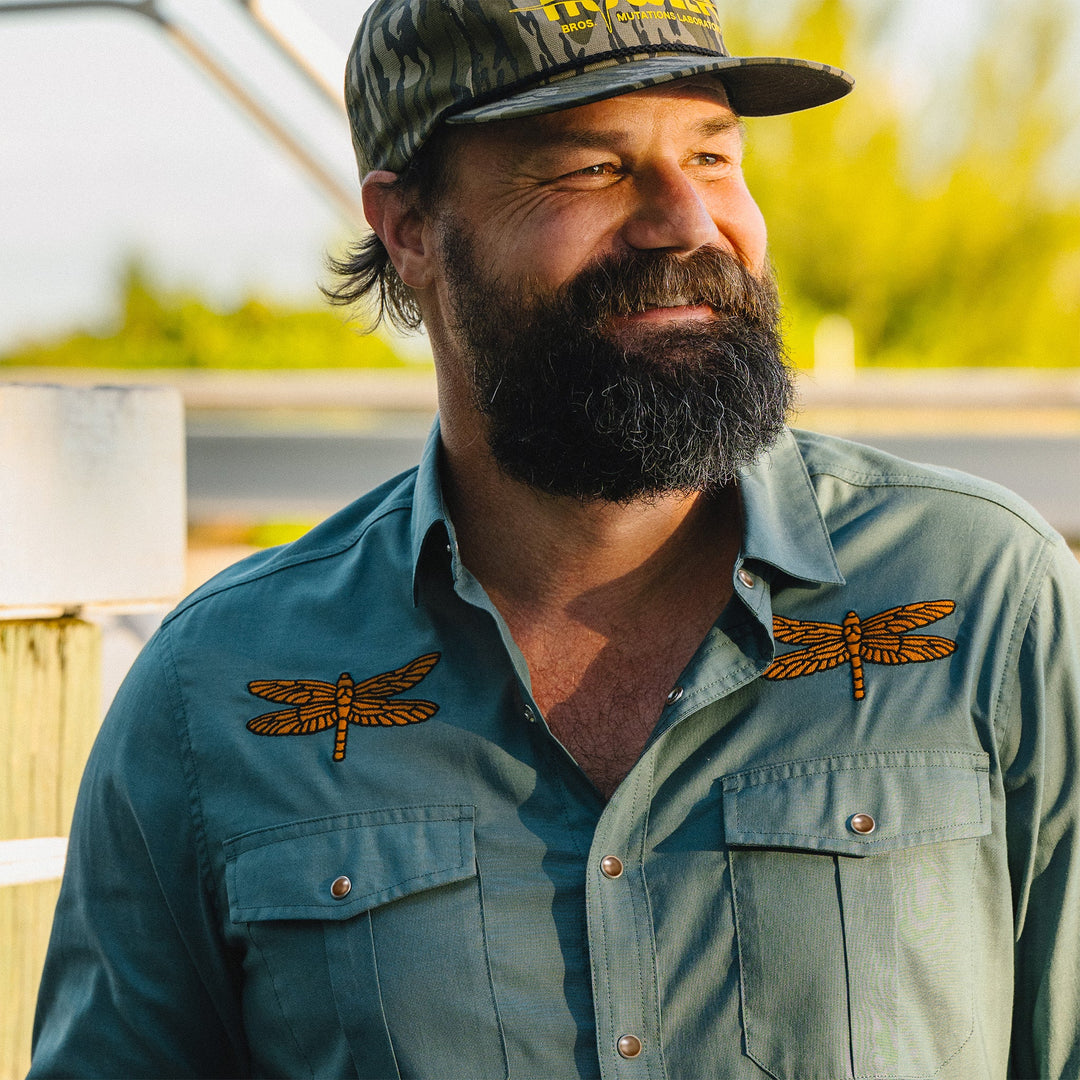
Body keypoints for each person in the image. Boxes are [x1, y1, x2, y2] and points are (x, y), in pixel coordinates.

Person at [29, 1, 1080, 1077]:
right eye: (592, 169)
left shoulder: (989, 601)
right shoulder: (220, 691)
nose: (685, 220)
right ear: (408, 228)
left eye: (714, 155)